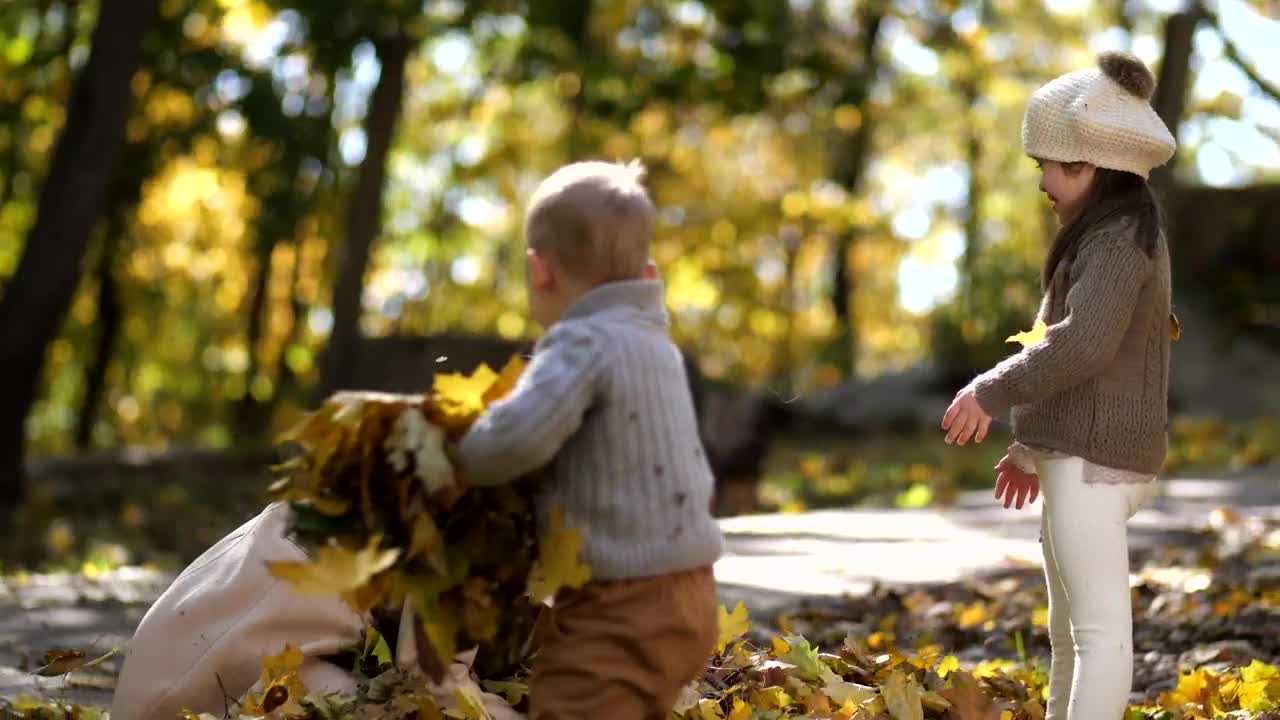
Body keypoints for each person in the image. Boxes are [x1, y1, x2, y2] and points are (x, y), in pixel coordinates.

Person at [940, 51, 1176, 720]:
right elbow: (1065, 343)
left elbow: (1082, 344)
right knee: (1068, 630)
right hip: (1075, 452)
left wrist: (990, 391)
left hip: (1096, 460)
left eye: (1048, 163)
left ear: (1088, 167)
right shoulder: (1101, 236)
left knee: (1099, 633)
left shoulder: (1118, 241)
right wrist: (1030, 446)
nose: (1040, 178)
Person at [455, 159, 724, 720]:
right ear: (646, 273)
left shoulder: (582, 342)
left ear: (540, 271)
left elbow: (513, 443)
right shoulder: (657, 347)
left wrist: (460, 448)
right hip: (693, 596)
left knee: (569, 707)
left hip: (621, 604)